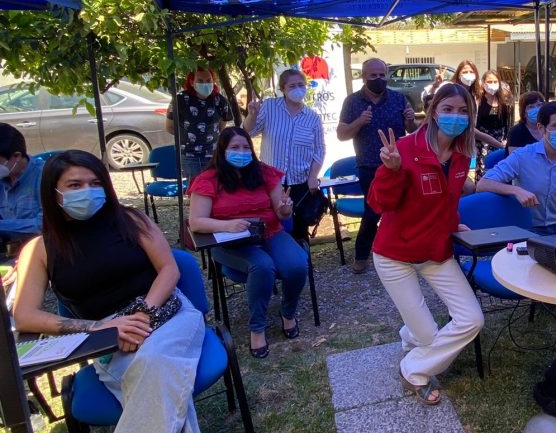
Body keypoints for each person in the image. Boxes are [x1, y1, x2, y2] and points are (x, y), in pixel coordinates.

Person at [13, 150, 206, 433]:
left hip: (169, 315)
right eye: (74, 184)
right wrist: (98, 328)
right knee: (163, 385)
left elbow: (169, 270)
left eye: (94, 182)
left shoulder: (132, 220)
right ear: (54, 192)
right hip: (108, 337)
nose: (86, 191)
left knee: (154, 362)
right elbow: (25, 315)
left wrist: (144, 313)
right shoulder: (40, 249)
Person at [368, 83, 483, 405]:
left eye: (463, 111)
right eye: (448, 109)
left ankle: (411, 352)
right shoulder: (404, 149)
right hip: (395, 255)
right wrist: (391, 171)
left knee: (472, 320)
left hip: (435, 252)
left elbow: (444, 201)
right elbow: (379, 203)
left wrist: (450, 222)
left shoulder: (462, 156)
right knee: (429, 337)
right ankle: (415, 369)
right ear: (433, 112)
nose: (455, 117)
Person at [188, 127, 308, 358]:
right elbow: (196, 223)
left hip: (269, 232)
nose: (241, 152)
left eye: (246, 147)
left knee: (297, 265)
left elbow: (281, 213)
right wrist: (227, 225)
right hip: (229, 241)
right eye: (235, 148)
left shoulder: (264, 173)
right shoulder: (208, 179)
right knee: (262, 266)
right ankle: (257, 329)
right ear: (222, 151)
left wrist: (285, 209)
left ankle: (288, 313)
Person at [337, 58, 417, 274]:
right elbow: (341, 134)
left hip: (397, 164)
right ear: (364, 77)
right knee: (373, 212)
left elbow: (412, 131)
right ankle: (362, 255)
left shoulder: (399, 99)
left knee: (402, 209)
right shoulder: (353, 102)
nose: (379, 79)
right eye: (373, 75)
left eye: (382, 75)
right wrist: (359, 122)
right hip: (369, 165)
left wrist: (410, 120)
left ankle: (402, 252)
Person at [478, 101, 556, 235]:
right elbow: (483, 184)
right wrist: (515, 190)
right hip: (526, 229)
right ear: (541, 128)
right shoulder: (522, 156)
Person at [243, 68, 324, 242]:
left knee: (299, 229)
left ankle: (302, 264)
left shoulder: (312, 117)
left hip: (299, 183)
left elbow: (319, 149)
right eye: (292, 85)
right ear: (283, 88)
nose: (297, 89)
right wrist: (252, 115)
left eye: (301, 85)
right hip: (271, 182)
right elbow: (248, 132)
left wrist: (313, 177)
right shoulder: (270, 107)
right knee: (272, 227)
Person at [166, 67, 233, 181]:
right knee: (196, 191)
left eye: (208, 80)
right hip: (190, 157)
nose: (205, 84)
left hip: (214, 155)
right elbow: (170, 127)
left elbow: (221, 127)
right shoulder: (180, 100)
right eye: (200, 81)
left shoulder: (220, 101)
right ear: (192, 82)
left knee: (215, 189)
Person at [0, 123, 44, 244]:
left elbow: (43, 225)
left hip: (39, 248)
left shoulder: (44, 176)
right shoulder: (3, 177)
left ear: (16, 156)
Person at [474, 70, 513, 177]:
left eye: (495, 81)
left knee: (499, 168)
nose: (492, 85)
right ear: (483, 83)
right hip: (483, 142)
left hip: (501, 139)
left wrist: (507, 138)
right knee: (484, 168)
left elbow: (507, 122)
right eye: (489, 82)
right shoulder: (478, 101)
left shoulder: (503, 100)